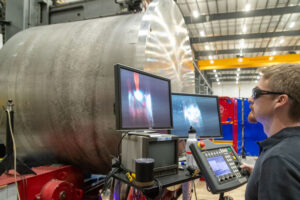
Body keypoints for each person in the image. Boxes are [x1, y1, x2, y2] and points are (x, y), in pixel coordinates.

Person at [240, 63, 300, 200]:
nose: (250, 99)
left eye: (256, 93)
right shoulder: (288, 153)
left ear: (280, 100)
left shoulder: (278, 160)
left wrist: (273, 169)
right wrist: (261, 173)